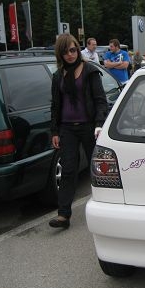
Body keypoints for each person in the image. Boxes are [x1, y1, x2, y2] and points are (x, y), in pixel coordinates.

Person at [49, 34, 108, 228]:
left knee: (98, 169)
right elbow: (55, 105)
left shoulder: (90, 71)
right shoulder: (58, 76)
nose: (70, 55)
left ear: (77, 49)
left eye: (73, 50)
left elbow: (100, 100)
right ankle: (63, 215)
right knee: (68, 170)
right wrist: (55, 131)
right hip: (67, 129)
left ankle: (106, 208)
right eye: (65, 52)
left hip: (90, 127)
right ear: (61, 54)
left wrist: (99, 124)